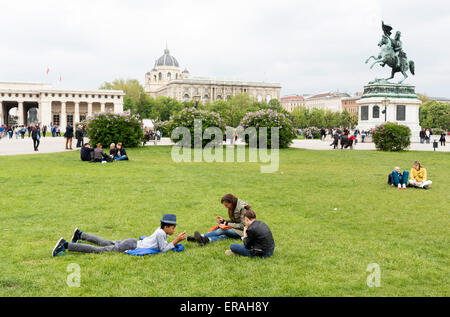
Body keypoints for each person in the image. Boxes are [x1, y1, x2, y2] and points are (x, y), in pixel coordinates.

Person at [52, 214, 186, 256]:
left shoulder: (160, 230)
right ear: (166, 227)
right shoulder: (161, 234)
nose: (174, 230)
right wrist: (176, 240)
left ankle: (80, 235)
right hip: (131, 245)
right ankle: (65, 245)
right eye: (173, 228)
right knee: (99, 250)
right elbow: (163, 250)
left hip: (132, 242)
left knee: (104, 242)